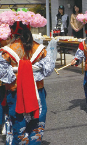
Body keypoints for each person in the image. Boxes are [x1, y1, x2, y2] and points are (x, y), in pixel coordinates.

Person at [0, 11, 54, 144]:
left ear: (12, 31)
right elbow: (48, 69)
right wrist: (32, 70)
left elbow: (3, 74)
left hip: (16, 90)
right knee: (37, 120)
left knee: (18, 121)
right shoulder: (39, 48)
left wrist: (18, 72)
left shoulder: (7, 50)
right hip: (36, 90)